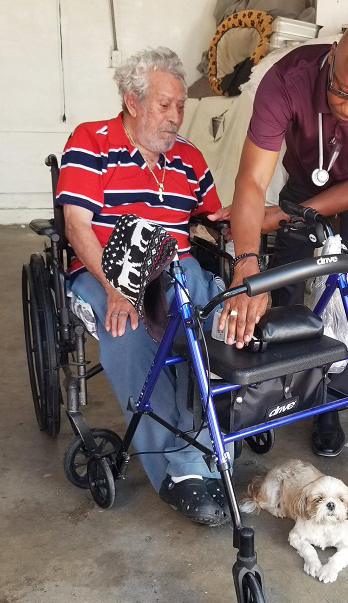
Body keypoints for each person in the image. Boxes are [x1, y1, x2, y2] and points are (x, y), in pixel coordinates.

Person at [220, 14, 348, 457]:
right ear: (332, 57)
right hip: (304, 180)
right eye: (342, 91)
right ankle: (275, 390)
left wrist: (294, 213)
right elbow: (252, 182)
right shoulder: (287, 81)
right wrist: (246, 265)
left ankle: (330, 402)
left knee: (347, 292)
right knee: (286, 282)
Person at [57, 47, 232, 526]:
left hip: (177, 270)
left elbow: (217, 220)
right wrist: (116, 287)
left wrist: (259, 226)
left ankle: (217, 444)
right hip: (109, 272)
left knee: (225, 323)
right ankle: (180, 469)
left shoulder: (190, 158)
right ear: (133, 103)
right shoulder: (92, 141)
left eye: (180, 106)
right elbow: (77, 227)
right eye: (165, 105)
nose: (176, 116)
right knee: (129, 332)